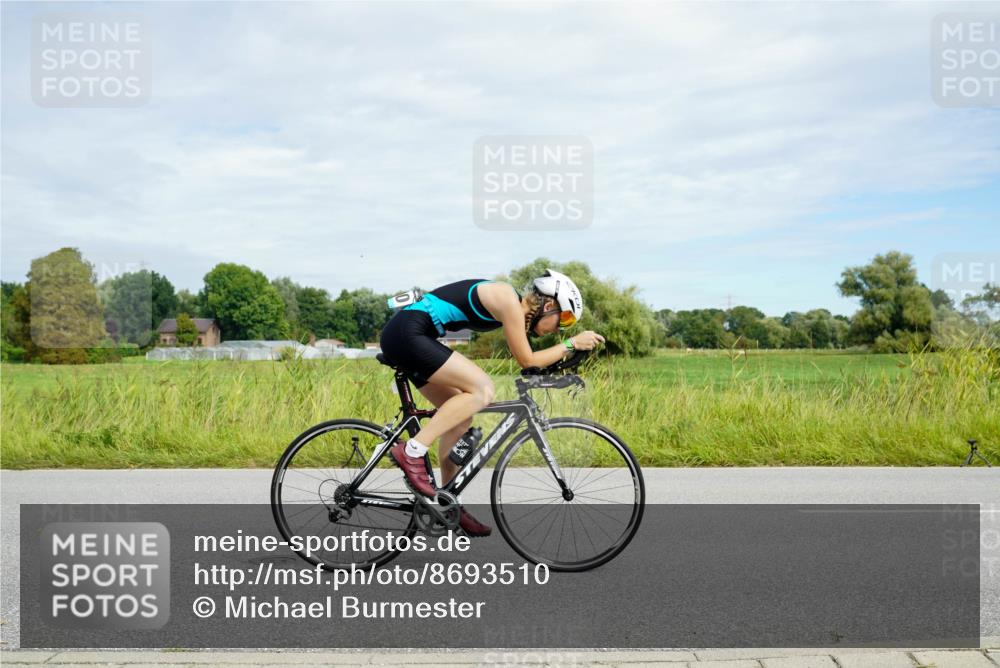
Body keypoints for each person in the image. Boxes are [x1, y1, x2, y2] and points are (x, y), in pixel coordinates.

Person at [378, 269, 605, 537]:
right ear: (549, 305)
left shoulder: (511, 309)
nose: (559, 329)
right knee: (482, 389)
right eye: (563, 319)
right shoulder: (508, 299)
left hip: (410, 335)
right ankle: (412, 451)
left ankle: (448, 502)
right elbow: (528, 359)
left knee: (460, 418)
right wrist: (572, 342)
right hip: (409, 333)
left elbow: (531, 364)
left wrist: (563, 365)